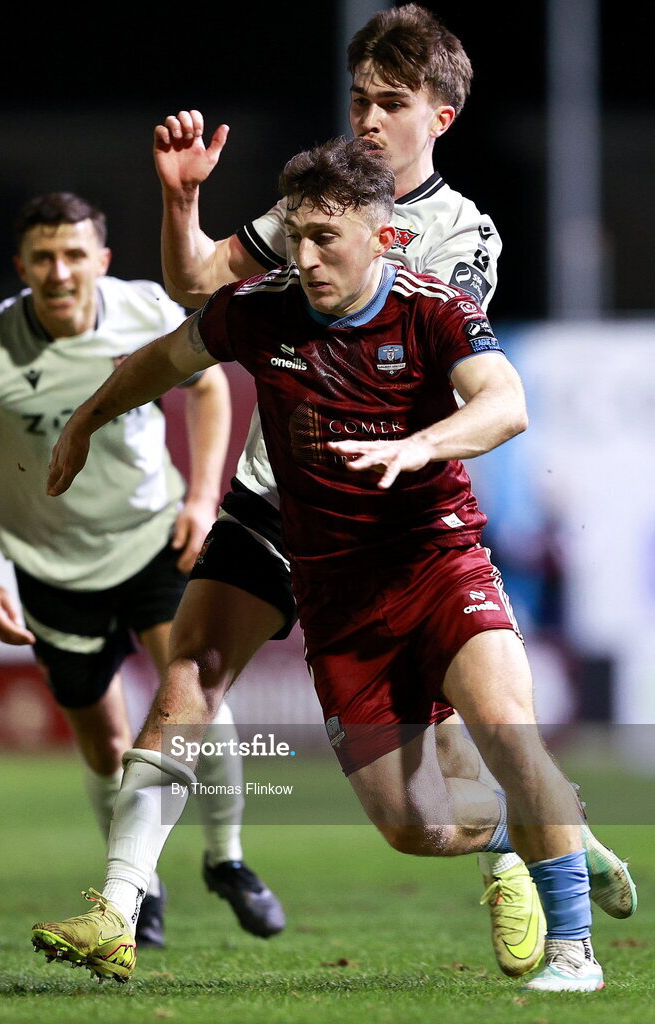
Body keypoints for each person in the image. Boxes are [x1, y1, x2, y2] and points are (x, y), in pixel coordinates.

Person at [35, 138, 637, 994]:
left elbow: (505, 402)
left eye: (328, 238)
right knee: (412, 827)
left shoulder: (434, 311)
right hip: (335, 594)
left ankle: (575, 956)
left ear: (384, 237)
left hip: (438, 561)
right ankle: (544, 825)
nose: (309, 258)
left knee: (506, 731)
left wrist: (420, 445)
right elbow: (163, 360)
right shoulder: (261, 309)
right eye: (299, 236)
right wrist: (84, 421)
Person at [144, 2, 538, 976]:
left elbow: (448, 375)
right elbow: (197, 283)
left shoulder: (460, 236)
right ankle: (121, 897)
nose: (367, 118)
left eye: (390, 102)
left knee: (427, 781)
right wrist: (183, 203)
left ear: (439, 115)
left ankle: (530, 846)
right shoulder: (305, 211)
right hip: (272, 492)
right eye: (358, 98)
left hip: (382, 522)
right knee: (190, 666)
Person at [0, 191, 284, 949]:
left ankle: (228, 859)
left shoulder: (144, 311)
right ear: (22, 267)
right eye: (44, 258)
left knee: (199, 708)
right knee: (105, 745)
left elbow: (210, 383)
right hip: (51, 571)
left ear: (102, 261)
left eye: (75, 254)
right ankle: (138, 890)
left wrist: (202, 499)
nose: (60, 272)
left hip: (152, 540)